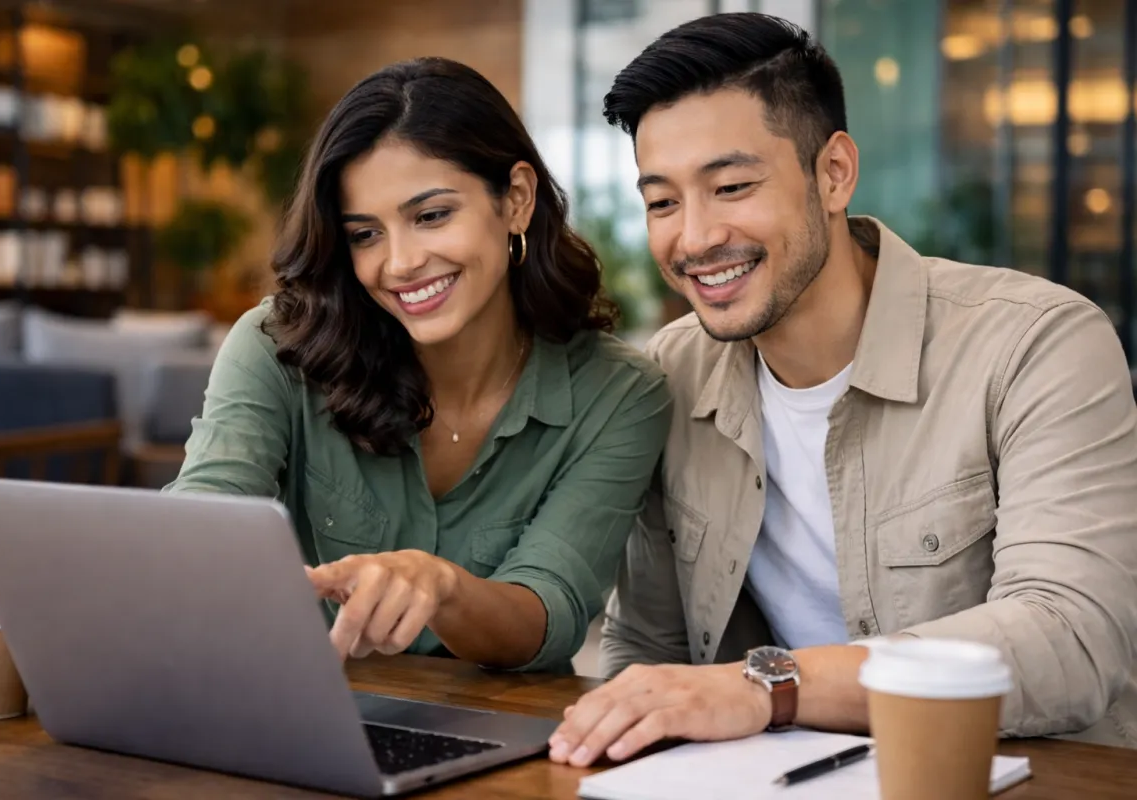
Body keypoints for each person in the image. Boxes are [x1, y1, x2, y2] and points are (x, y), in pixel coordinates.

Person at [548, 12, 1137, 767]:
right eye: (662, 201)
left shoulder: (1035, 344)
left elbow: (1071, 639)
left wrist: (768, 686)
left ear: (834, 174)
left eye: (731, 186)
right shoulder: (673, 373)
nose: (692, 239)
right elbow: (649, 649)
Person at [167, 57, 671, 674]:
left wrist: (444, 587)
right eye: (364, 234)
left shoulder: (620, 394)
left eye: (431, 216)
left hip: (504, 735)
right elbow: (202, 518)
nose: (400, 263)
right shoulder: (279, 345)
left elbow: (551, 609)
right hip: (297, 710)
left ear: (516, 200)